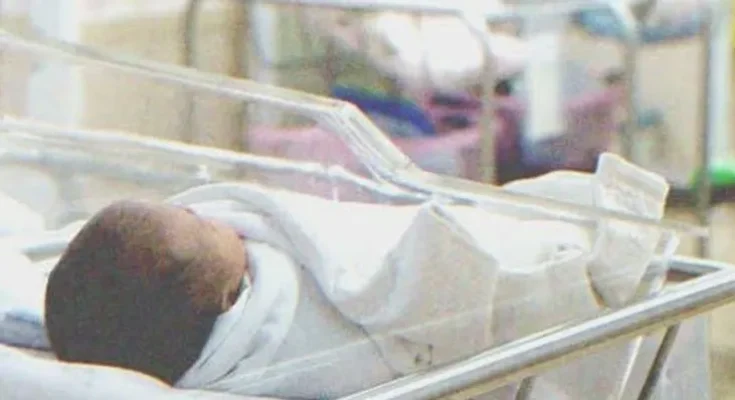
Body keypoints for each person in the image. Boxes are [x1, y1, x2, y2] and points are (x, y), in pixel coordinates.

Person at [44, 154, 670, 399]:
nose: (219, 219)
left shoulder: (189, 281)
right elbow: (401, 292)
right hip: (415, 302)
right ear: (229, 300)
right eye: (212, 232)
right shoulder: (272, 341)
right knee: (540, 249)